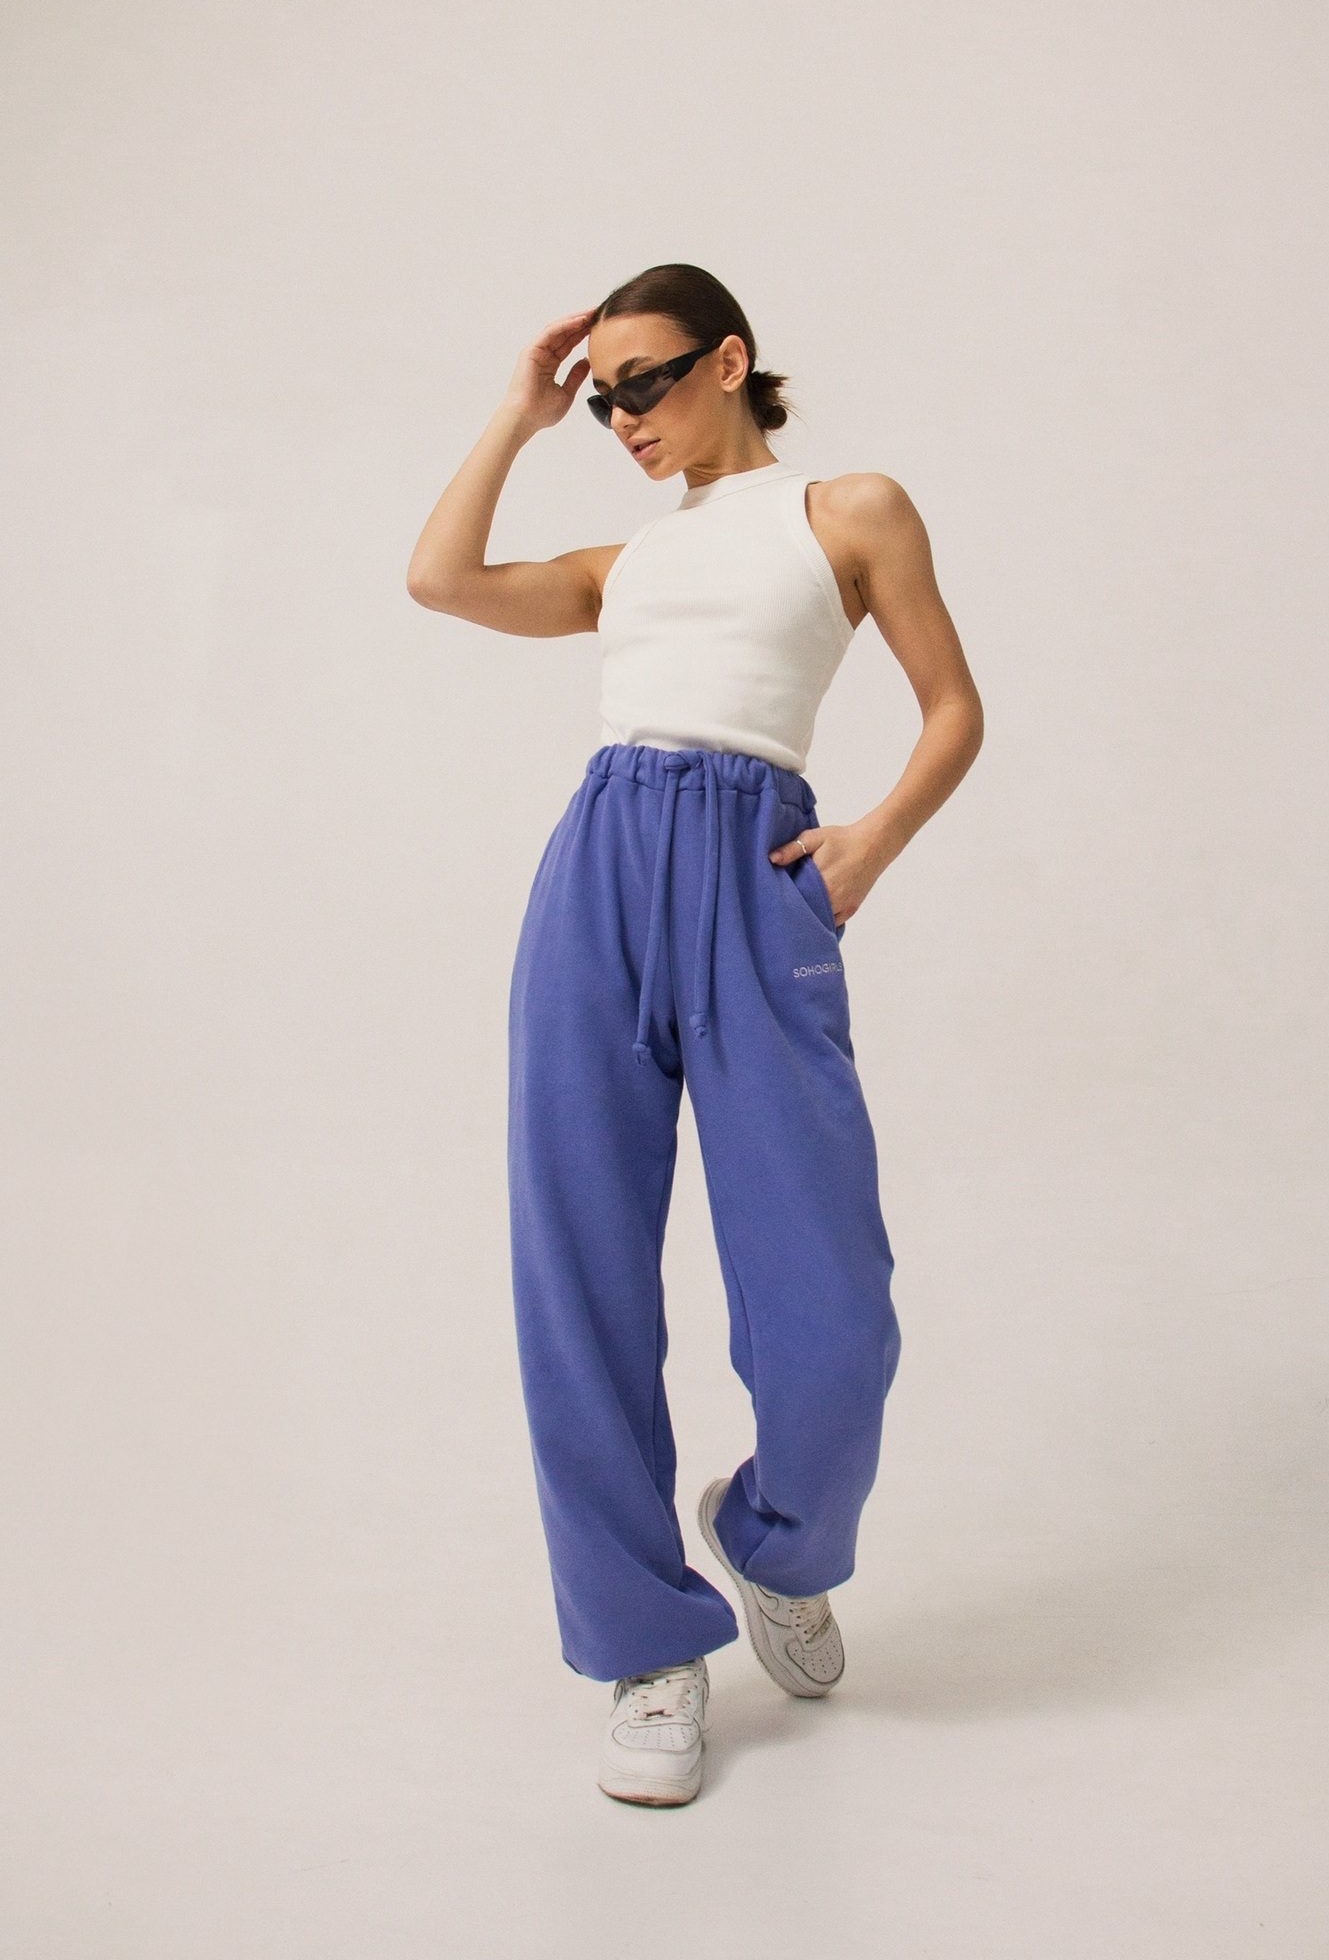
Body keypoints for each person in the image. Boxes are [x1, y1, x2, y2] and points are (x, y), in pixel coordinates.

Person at [406, 263, 983, 1806]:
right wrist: (518, 413)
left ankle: (775, 1539)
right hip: (599, 867)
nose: (623, 418)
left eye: (644, 383)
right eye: (604, 399)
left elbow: (951, 709)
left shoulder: (847, 511)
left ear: (728, 361)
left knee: (833, 1310)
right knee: (579, 1269)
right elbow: (439, 581)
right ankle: (645, 1652)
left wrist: (866, 845)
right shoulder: (626, 563)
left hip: (754, 872)